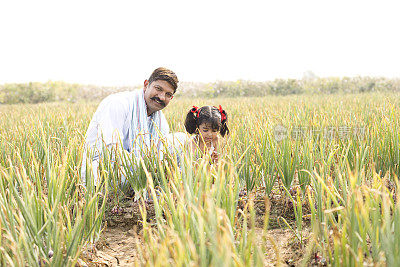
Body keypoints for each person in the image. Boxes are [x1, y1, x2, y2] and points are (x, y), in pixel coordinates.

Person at [81, 67, 179, 186]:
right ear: (146, 85)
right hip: (104, 170)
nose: (162, 97)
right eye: (158, 89)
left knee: (180, 140)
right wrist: (146, 167)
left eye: (168, 94)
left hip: (136, 174)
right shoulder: (118, 104)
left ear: (171, 98)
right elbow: (111, 151)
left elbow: (157, 157)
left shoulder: (161, 123)